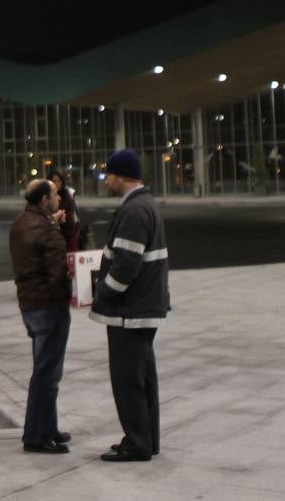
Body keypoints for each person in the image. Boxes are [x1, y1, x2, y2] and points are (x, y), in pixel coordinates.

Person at [90, 149, 169, 462]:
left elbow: (125, 266)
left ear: (122, 175)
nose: (105, 179)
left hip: (129, 311)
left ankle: (136, 443)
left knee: (127, 381)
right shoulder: (144, 205)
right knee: (143, 378)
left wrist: (104, 294)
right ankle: (147, 440)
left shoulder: (134, 211)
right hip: (144, 307)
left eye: (108, 174)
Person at [10, 179, 73, 454]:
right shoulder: (46, 231)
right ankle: (37, 436)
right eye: (56, 195)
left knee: (44, 369)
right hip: (49, 308)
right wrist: (65, 297)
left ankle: (49, 427)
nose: (59, 199)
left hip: (29, 305)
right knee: (47, 374)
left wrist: (52, 224)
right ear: (45, 200)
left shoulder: (21, 222)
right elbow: (57, 272)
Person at [50, 171, 82, 252]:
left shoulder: (68, 194)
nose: (57, 183)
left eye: (59, 181)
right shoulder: (47, 197)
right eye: (54, 181)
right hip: (55, 233)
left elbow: (74, 211)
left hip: (70, 231)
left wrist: (77, 227)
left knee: (72, 255)